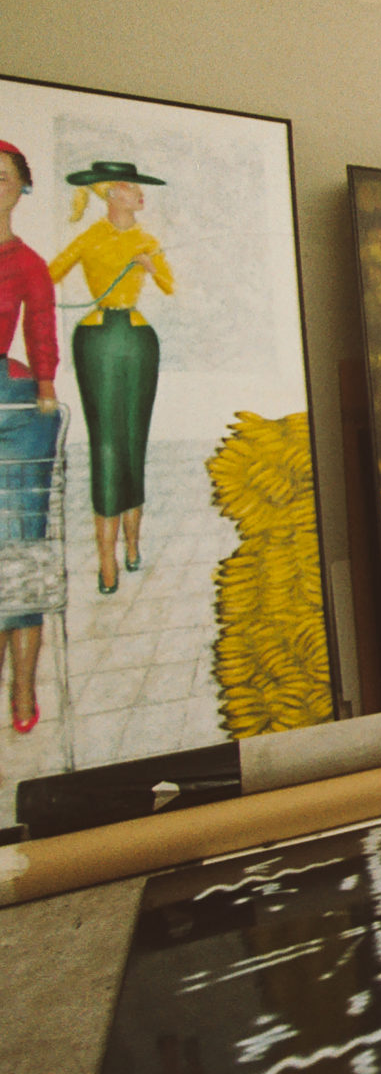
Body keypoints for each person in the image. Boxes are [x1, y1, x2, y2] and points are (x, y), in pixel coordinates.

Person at [47, 160, 173, 595]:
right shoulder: (91, 237)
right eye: (129, 187)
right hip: (96, 339)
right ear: (109, 193)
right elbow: (50, 275)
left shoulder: (147, 239)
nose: (139, 194)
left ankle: (133, 545)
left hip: (138, 339)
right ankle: (106, 560)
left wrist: (151, 265)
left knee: (134, 440)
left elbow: (170, 285)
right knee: (106, 444)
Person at [0, 140, 61, 734]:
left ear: (22, 188)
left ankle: (23, 686)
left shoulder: (28, 263)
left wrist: (44, 382)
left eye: (1, 177)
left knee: (21, 547)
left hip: (14, 404)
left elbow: (41, 326)